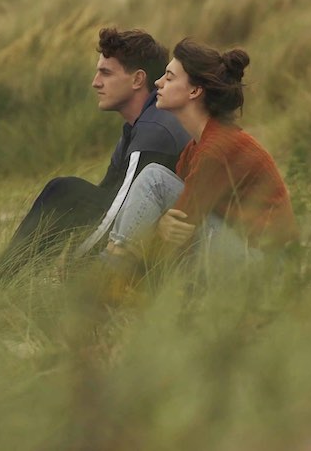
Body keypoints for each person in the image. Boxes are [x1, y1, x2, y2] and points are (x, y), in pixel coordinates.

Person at [0, 28, 190, 296]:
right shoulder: (139, 126)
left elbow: (121, 216)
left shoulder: (155, 129)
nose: (95, 82)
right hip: (150, 247)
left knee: (65, 192)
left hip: (174, 258)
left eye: (106, 73)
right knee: (68, 194)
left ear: (138, 79)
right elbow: (106, 195)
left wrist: (75, 266)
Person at [101, 37, 298, 282]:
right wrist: (162, 225)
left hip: (267, 267)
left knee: (155, 178)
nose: (158, 83)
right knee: (158, 183)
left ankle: (110, 273)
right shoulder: (196, 147)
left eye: (169, 77)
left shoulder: (216, 149)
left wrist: (161, 228)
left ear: (194, 91)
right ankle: (114, 272)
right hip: (243, 253)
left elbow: (182, 225)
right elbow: (177, 222)